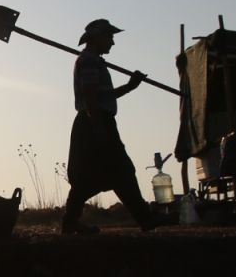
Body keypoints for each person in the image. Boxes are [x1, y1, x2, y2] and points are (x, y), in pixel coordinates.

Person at [61, 19, 172, 234]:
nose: (112, 42)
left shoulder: (93, 61)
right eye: (109, 37)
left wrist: (130, 86)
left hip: (95, 120)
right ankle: (144, 218)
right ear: (97, 37)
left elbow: (101, 95)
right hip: (94, 121)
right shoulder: (89, 62)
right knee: (119, 170)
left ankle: (71, 222)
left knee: (105, 174)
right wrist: (99, 127)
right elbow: (91, 96)